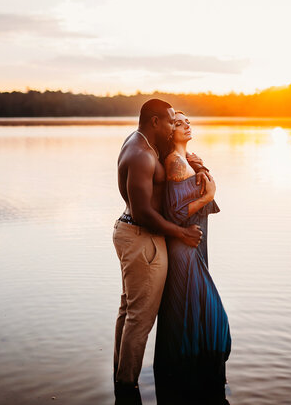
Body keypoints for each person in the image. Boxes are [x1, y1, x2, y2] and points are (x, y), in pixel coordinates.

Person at [113, 99, 210, 404]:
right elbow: (142, 211)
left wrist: (197, 167)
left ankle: (120, 377)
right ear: (154, 121)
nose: (172, 126)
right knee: (140, 317)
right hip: (141, 236)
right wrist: (182, 232)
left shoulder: (138, 141)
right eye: (169, 121)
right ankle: (127, 387)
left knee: (129, 310)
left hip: (131, 233)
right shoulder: (141, 154)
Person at [154, 111, 232, 405]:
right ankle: (192, 378)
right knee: (211, 320)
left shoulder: (185, 160)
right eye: (177, 122)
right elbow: (174, 213)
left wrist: (199, 167)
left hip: (194, 247)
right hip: (184, 251)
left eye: (187, 121)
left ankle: (186, 381)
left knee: (193, 316)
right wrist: (206, 195)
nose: (186, 125)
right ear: (167, 131)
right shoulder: (174, 161)